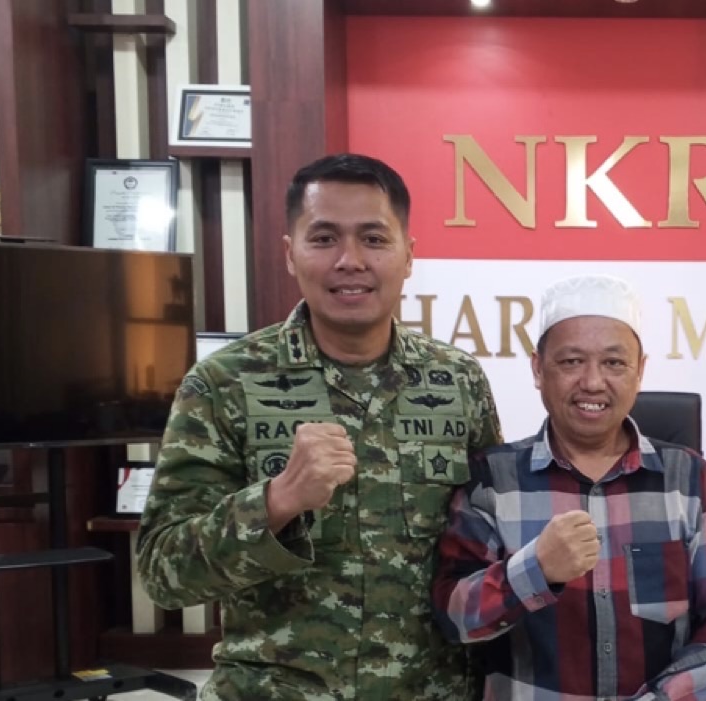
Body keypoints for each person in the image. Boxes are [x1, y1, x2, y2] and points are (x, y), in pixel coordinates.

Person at [137, 153, 503, 700]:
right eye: (325, 238)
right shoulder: (224, 383)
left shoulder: (457, 380)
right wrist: (276, 502)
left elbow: (488, 548)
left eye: (374, 239)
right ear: (291, 254)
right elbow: (163, 573)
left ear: (408, 256)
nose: (350, 260)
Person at [433, 274, 706, 701]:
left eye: (614, 363)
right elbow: (453, 618)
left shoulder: (687, 477)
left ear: (640, 370)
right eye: (571, 362)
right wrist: (535, 571)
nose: (593, 382)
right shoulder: (492, 478)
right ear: (537, 369)